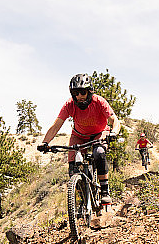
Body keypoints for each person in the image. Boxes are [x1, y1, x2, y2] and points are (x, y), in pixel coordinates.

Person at [37, 73, 121, 205]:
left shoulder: (99, 102)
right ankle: (83, 199)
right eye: (75, 93)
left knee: (99, 153)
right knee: (72, 169)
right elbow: (56, 126)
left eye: (82, 92)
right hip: (79, 135)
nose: (79, 96)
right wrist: (45, 142)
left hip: (100, 133)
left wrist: (114, 132)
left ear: (89, 91)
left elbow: (114, 120)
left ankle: (105, 191)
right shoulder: (69, 105)